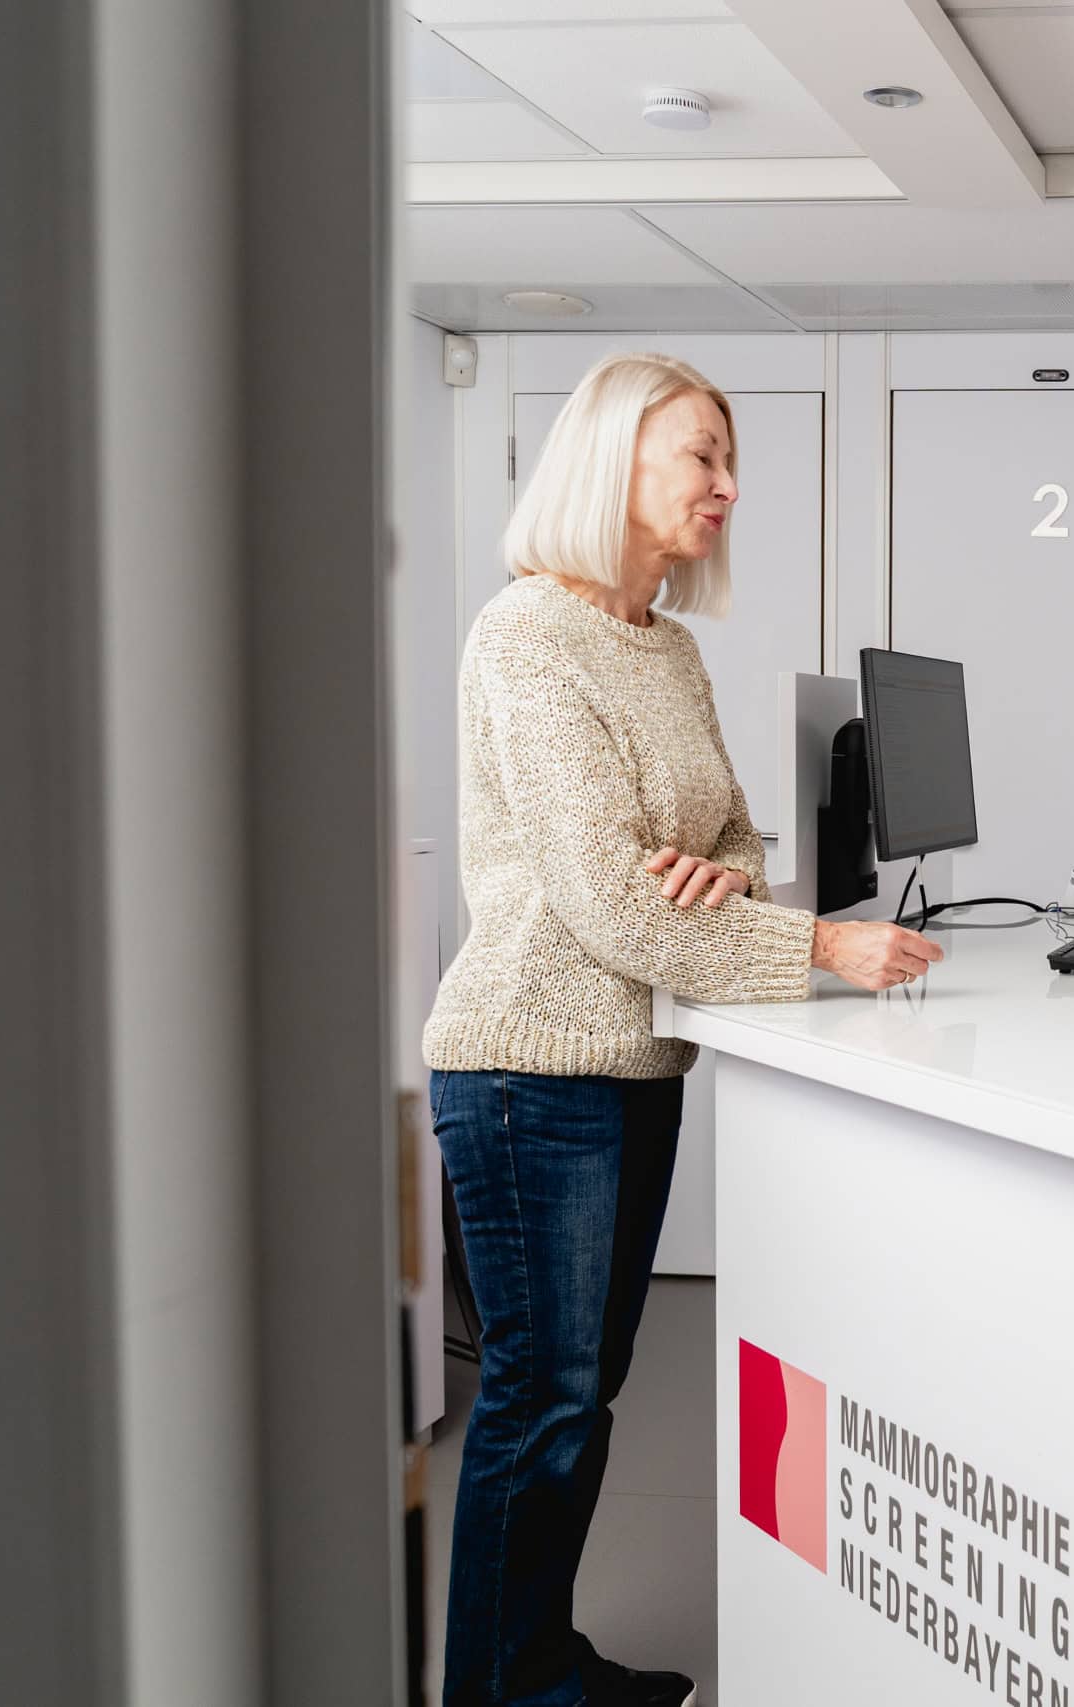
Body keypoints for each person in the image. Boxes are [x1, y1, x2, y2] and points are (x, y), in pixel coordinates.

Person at [421, 352, 940, 1707]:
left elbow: (724, 841)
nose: (727, 483)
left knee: (581, 1397)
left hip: (634, 1057)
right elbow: (608, 897)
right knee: (540, 1397)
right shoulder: (526, 634)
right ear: (613, 467)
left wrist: (718, 871)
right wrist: (818, 941)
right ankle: (497, 1686)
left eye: (727, 457)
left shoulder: (667, 644)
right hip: (528, 1060)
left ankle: (539, 1657)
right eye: (699, 456)